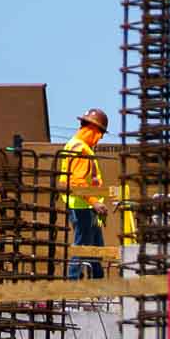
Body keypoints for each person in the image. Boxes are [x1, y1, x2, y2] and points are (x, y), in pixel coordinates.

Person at [64, 107, 109, 279]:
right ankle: (73, 286)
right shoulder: (81, 149)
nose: (101, 138)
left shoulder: (76, 146)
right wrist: (94, 201)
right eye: (101, 133)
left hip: (87, 207)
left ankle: (97, 285)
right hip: (82, 206)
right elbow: (77, 182)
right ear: (92, 129)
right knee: (82, 247)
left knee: (96, 248)